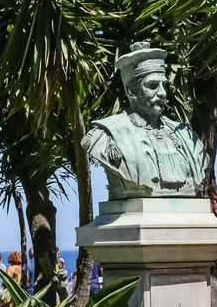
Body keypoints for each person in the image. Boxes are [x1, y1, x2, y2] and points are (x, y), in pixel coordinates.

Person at [82, 41, 208, 200]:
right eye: (153, 85)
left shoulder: (186, 136)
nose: (162, 93)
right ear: (131, 91)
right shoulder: (106, 133)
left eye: (164, 85)